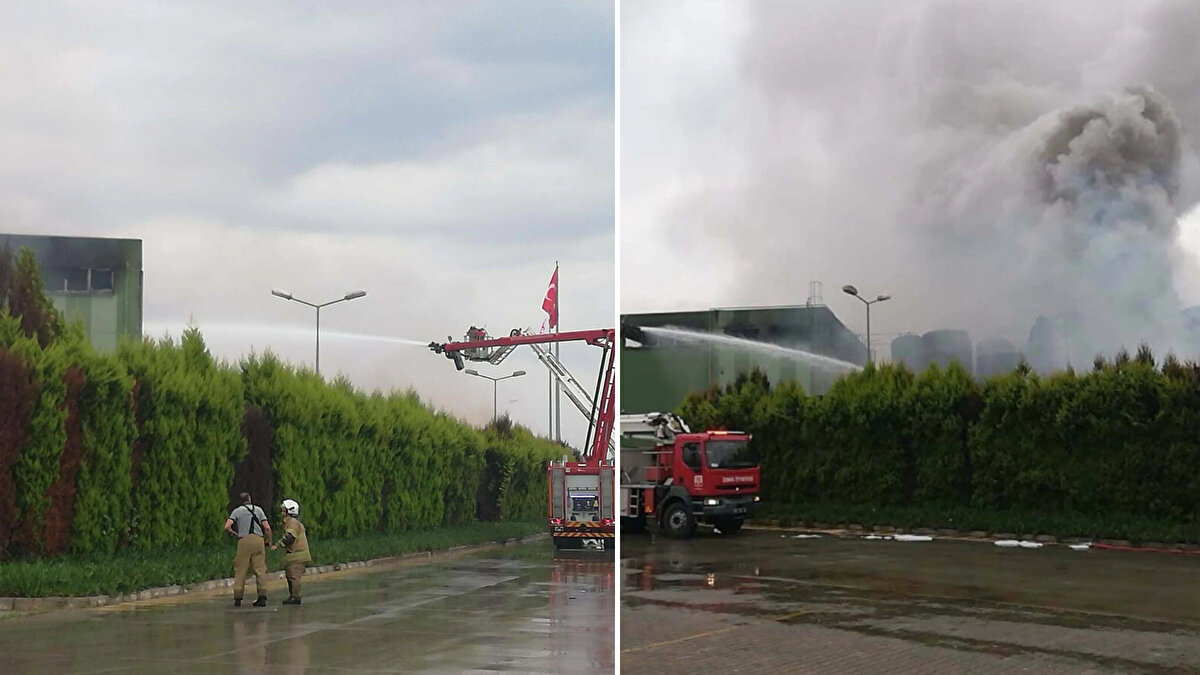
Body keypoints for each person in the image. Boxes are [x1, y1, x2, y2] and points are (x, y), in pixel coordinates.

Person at [224, 492, 272, 607]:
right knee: (260, 569)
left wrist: (234, 533)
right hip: (258, 540)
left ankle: (238, 598)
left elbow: (227, 526)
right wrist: (269, 541)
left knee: (240, 570)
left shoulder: (237, 511)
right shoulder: (259, 510)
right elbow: (267, 528)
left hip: (244, 540)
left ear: (240, 501)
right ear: (250, 499)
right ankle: (262, 597)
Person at [271, 498, 311, 605]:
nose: (282, 513)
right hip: (294, 555)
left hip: (297, 556)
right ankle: (293, 596)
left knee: (294, 576)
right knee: (290, 575)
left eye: (284, 510)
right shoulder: (291, 522)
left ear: (290, 511)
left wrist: (279, 545)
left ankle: (295, 597)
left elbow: (290, 537)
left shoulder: (292, 522)